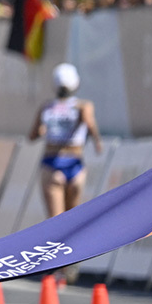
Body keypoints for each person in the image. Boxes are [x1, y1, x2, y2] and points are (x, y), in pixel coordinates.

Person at [29, 63, 104, 219]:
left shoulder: (46, 107)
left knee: (55, 222)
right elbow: (89, 124)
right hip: (75, 164)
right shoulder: (83, 106)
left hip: (52, 164)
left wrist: (45, 130)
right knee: (72, 221)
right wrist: (97, 141)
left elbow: (32, 136)